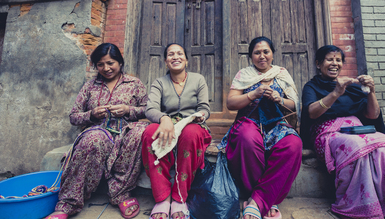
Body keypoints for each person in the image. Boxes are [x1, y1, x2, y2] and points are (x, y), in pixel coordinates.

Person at [300, 45, 385, 219]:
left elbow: (372, 114)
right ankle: (366, 208)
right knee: (356, 148)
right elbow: (312, 112)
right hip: (328, 133)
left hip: (358, 130)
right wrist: (336, 93)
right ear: (318, 63)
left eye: (338, 60)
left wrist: (371, 92)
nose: (334, 63)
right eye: (329, 59)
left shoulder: (353, 87)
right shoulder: (312, 87)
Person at [46, 43, 149, 219]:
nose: (106, 68)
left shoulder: (134, 84)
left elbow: (147, 110)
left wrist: (127, 110)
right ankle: (68, 203)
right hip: (100, 134)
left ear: (120, 62)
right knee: (94, 138)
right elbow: (74, 116)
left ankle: (120, 192)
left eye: (110, 63)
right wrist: (91, 114)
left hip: (126, 134)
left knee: (141, 132)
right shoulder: (90, 86)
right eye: (100, 64)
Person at [218, 36, 302, 219]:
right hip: (249, 120)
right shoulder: (244, 74)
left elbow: (294, 105)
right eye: (257, 52)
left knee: (293, 144)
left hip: (276, 123)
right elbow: (231, 103)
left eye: (266, 51)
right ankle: (265, 199)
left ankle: (257, 200)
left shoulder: (281, 74)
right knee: (246, 138)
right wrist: (252, 95)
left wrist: (280, 99)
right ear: (251, 56)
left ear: (272, 54)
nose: (262, 56)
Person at [142, 43, 212, 219]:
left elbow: (205, 108)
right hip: (167, 124)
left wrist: (200, 116)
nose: (175, 57)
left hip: (192, 125)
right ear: (166, 61)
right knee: (150, 132)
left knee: (190, 133)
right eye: (171, 54)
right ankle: (162, 198)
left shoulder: (198, 79)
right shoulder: (159, 83)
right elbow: (150, 109)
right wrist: (164, 118)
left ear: (186, 59)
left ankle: (179, 197)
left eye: (180, 53)